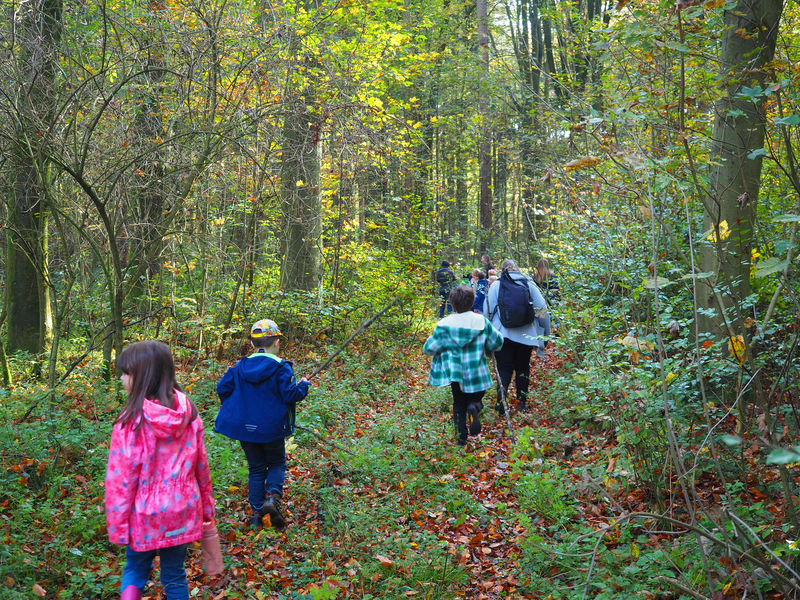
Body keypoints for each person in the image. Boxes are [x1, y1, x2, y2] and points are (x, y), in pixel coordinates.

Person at [105, 341, 216, 600]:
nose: (121, 378)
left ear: (142, 376)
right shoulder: (189, 414)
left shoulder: (130, 422)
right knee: (175, 574)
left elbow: (120, 482)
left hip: (143, 514)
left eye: (126, 373)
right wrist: (207, 508)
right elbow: (202, 467)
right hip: (182, 510)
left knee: (135, 570)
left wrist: (118, 526)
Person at [215, 319, 310, 530]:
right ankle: (272, 499)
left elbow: (222, 388)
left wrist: (237, 405)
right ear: (276, 342)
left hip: (245, 428)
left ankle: (257, 516)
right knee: (276, 463)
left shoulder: (239, 366)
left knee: (256, 468)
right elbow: (290, 395)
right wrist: (303, 385)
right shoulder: (281, 367)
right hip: (271, 427)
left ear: (252, 344)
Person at [424, 286, 504, 446]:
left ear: (452, 305)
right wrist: (487, 347)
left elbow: (429, 349)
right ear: (473, 302)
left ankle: (461, 439)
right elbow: (498, 342)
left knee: (459, 404)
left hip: (456, 374)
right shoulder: (482, 322)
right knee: (475, 400)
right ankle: (475, 406)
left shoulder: (444, 325)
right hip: (478, 373)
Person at [483, 259, 550, 414]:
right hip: (526, 335)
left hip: (502, 336)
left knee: (504, 368)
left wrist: (488, 335)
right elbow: (542, 309)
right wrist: (544, 333)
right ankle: (522, 403)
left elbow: (487, 312)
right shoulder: (529, 284)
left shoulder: (497, 285)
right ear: (517, 269)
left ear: (502, 270)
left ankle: (501, 402)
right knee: (522, 368)